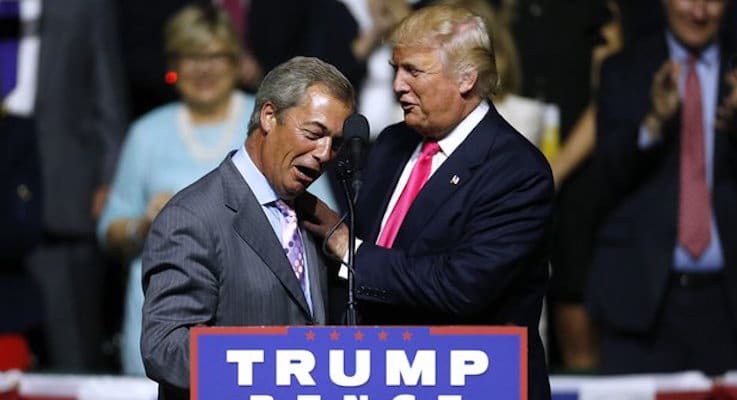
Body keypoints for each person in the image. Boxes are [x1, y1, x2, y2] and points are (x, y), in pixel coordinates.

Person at [301, 5, 553, 399]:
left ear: (466, 78)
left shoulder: (516, 170)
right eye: (396, 69)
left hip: (474, 385)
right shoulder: (389, 144)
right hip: (382, 379)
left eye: (413, 71)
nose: (398, 85)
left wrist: (349, 249)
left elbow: (461, 288)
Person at [140, 56, 354, 399]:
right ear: (269, 116)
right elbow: (166, 349)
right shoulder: (192, 217)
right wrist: (273, 366)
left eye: (336, 142)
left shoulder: (314, 217)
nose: (325, 154)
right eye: (313, 134)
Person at [98, 4, 256, 375]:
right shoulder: (146, 133)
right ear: (174, 64)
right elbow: (109, 230)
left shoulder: (266, 124)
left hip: (248, 335)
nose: (203, 68)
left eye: (215, 56)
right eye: (190, 56)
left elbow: (316, 221)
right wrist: (143, 224)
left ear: (235, 61)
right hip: (160, 330)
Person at [588, 0, 737, 374]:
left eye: (713, 0)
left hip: (728, 306)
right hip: (640, 302)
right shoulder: (623, 69)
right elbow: (605, 179)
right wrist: (653, 124)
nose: (699, 12)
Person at [1, 0, 127, 371]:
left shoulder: (82, 7)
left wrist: (109, 180)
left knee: (71, 350)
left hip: (61, 198)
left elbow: (109, 98)